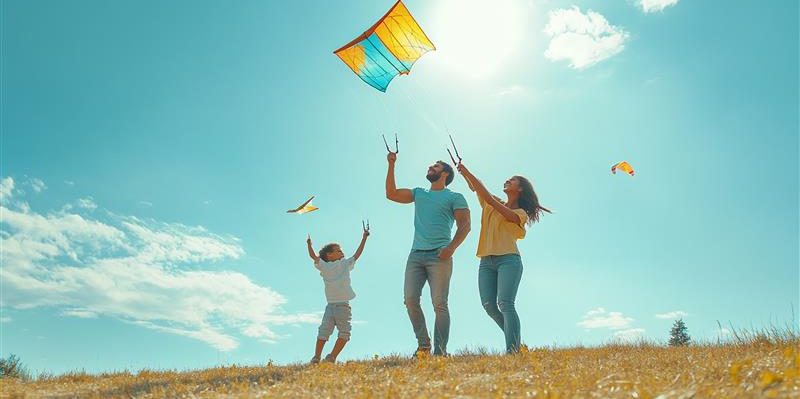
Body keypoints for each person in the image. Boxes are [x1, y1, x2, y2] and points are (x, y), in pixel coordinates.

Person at [457, 162, 550, 353]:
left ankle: (513, 350)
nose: (507, 180)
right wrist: (464, 174)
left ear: (520, 189)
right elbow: (477, 188)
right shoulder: (491, 202)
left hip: (509, 260)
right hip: (486, 261)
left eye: (512, 180)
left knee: (505, 303)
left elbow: (489, 199)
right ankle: (516, 340)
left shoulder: (520, 214)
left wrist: (468, 172)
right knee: (489, 306)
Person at [386, 151, 471, 357]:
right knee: (410, 299)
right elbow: (392, 194)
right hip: (415, 255)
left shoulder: (455, 197)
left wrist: (450, 249)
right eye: (431, 166)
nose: (430, 168)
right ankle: (424, 346)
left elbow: (465, 226)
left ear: (445, 174)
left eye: (435, 166)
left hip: (440, 256)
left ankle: (440, 352)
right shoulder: (418, 193)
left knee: (439, 304)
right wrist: (391, 164)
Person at [306, 224, 370, 363]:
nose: (342, 252)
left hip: (343, 307)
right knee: (323, 332)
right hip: (330, 307)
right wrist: (309, 244)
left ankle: (332, 357)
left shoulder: (345, 264)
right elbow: (313, 256)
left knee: (344, 334)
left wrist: (364, 238)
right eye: (338, 250)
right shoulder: (324, 266)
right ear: (329, 255)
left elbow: (357, 254)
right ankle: (316, 357)